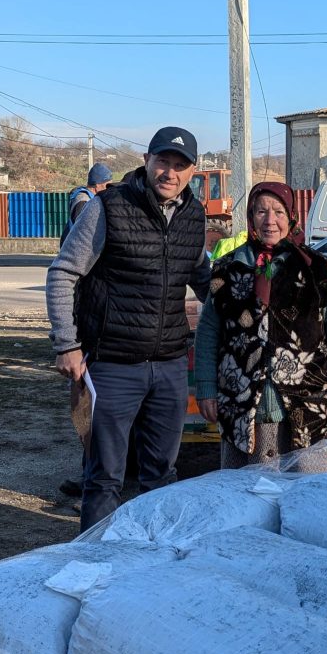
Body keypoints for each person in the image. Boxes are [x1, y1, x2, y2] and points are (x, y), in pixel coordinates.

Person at [46, 126, 210, 531]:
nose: (169, 173)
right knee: (105, 478)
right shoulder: (108, 207)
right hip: (113, 364)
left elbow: (205, 279)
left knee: (162, 476)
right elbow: (63, 273)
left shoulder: (194, 214)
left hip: (169, 365)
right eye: (163, 162)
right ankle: (94, 567)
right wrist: (67, 344)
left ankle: (150, 566)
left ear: (192, 172)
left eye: (179, 166)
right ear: (146, 161)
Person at [194, 181, 327, 470]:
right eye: (261, 211)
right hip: (244, 412)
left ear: (291, 217)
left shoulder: (316, 269)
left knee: (308, 500)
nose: (270, 221)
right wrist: (206, 388)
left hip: (308, 410)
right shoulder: (226, 270)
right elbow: (208, 333)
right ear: (250, 216)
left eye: (279, 212)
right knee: (252, 502)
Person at [57, 162, 115, 499]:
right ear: (101, 186)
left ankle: (97, 473)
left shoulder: (83, 200)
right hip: (85, 316)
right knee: (87, 401)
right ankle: (90, 476)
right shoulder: (86, 205)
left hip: (87, 310)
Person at [59, 162, 114, 248]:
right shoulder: (83, 201)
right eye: (107, 185)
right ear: (97, 185)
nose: (109, 189)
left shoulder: (90, 198)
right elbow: (83, 231)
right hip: (76, 248)